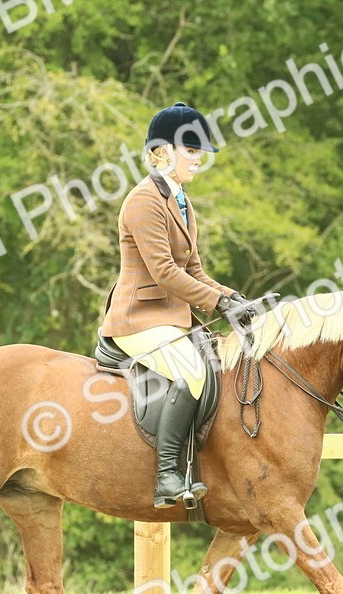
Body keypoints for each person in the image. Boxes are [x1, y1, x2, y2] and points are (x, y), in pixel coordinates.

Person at [101, 102, 249, 508]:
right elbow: (165, 272)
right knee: (194, 371)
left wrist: (234, 299)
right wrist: (218, 304)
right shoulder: (143, 201)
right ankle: (167, 475)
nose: (199, 157)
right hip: (138, 319)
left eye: (201, 150)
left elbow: (195, 270)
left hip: (168, 319)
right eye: (191, 149)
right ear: (162, 152)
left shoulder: (181, 201)